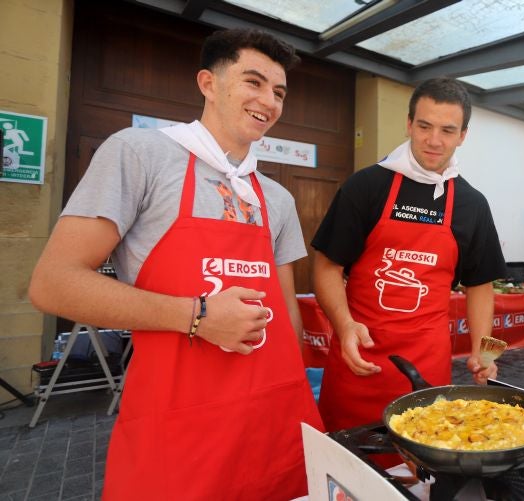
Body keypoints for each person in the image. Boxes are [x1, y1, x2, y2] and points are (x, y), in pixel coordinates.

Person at [28, 29, 323, 499]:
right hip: (180, 425)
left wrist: (302, 394)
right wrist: (199, 316)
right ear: (207, 82)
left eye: (279, 91)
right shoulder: (141, 153)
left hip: (272, 421)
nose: (268, 100)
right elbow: (53, 284)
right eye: (253, 82)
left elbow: (285, 313)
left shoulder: (278, 198)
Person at [311, 77, 506, 431]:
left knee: (420, 470)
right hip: (359, 358)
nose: (434, 140)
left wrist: (487, 354)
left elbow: (481, 285)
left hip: (427, 369)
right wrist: (343, 325)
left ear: (463, 135)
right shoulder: (366, 186)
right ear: (408, 124)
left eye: (448, 130)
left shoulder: (472, 204)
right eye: (424, 126)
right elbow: (327, 265)